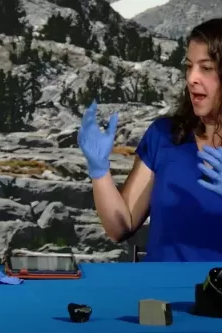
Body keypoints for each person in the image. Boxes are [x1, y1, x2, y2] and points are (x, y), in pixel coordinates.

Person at [78, 18, 222, 262]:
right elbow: (120, 227)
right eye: (189, 67)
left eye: (206, 68)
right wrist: (99, 171)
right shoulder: (164, 135)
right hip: (159, 294)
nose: (191, 78)